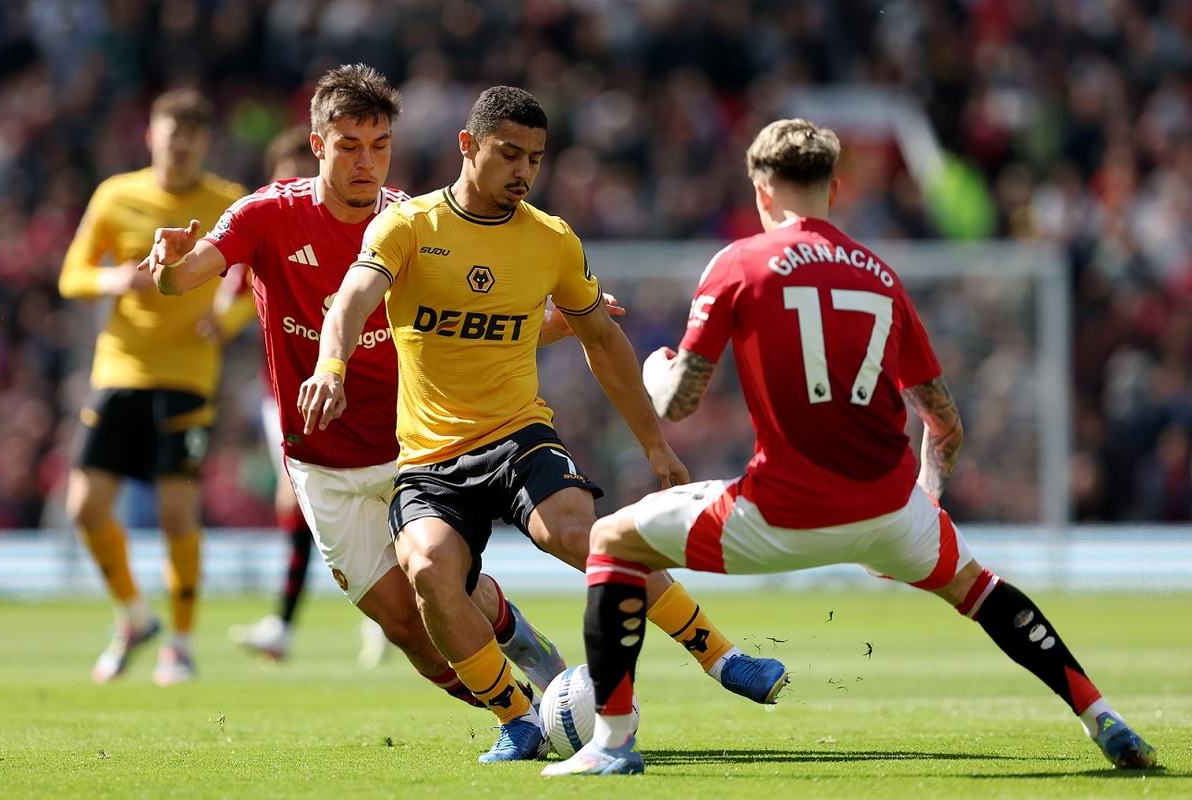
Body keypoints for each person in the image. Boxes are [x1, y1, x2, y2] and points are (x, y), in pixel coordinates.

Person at [541, 118, 1160, 776]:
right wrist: (925, 503)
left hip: (778, 513)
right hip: (891, 512)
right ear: (835, 188)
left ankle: (612, 743)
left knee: (612, 541)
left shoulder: (738, 264)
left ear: (761, 190)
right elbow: (944, 423)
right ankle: (1103, 717)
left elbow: (677, 403)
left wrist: (655, 365)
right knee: (981, 590)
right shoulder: (880, 277)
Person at [297, 85, 791, 765]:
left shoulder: (551, 239)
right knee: (429, 571)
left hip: (517, 438)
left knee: (584, 536)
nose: (523, 171)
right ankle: (518, 718)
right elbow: (353, 297)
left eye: (534, 158)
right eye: (509, 154)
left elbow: (603, 340)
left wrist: (655, 443)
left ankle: (723, 657)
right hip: (430, 461)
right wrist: (331, 366)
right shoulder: (408, 226)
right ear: (468, 146)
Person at [143, 64, 564, 707]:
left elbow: (472, 322)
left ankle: (534, 692)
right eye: (349, 146)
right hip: (320, 463)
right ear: (317, 144)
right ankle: (523, 708)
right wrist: (170, 268)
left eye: (380, 145)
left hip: (411, 451)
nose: (367, 163)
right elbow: (184, 275)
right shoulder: (266, 215)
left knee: (444, 589)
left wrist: (559, 324)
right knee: (406, 628)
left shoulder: (413, 223)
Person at [58, 87, 247, 686]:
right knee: (85, 508)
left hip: (189, 375)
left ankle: (181, 645)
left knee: (175, 512)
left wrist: (227, 319)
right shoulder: (116, 195)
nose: (180, 147)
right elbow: (71, 275)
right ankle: (135, 618)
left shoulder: (228, 202)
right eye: (171, 137)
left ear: (205, 142)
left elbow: (255, 279)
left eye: (190, 138)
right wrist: (112, 280)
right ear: (151, 137)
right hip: (119, 368)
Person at [224, 123, 389, 668]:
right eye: (284, 178)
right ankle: (299, 623)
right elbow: (231, 297)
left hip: (364, 389)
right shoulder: (269, 224)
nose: (294, 187)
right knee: (296, 500)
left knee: (376, 503)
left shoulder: (368, 227)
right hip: (286, 392)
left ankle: (314, 620)